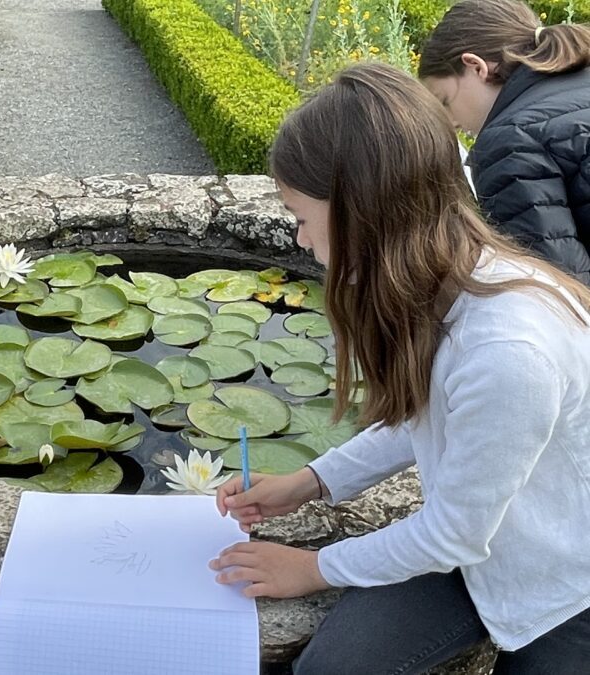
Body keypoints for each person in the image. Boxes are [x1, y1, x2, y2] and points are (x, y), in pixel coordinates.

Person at [209, 63, 590, 674]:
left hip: (561, 583)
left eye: (302, 217)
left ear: (362, 211)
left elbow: (453, 534)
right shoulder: (444, 279)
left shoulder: (508, 351)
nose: (302, 240)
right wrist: (308, 481)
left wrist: (310, 568)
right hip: (473, 550)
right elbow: (421, 415)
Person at [419, 0, 590, 285]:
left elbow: (557, 290)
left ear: (476, 67)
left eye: (445, 102)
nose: (451, 122)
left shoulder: (510, 142)